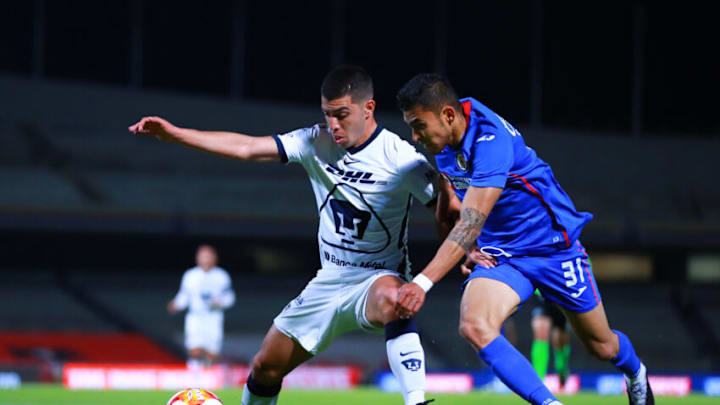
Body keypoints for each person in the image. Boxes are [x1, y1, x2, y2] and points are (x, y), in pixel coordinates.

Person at [130, 66, 440, 405]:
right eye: (327, 114)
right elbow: (247, 147)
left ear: (368, 109)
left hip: (377, 277)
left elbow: (448, 210)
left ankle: (416, 400)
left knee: (396, 299)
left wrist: (470, 252)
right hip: (329, 280)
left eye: (342, 114)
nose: (333, 124)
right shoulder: (314, 141)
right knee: (266, 366)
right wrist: (175, 134)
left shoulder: (401, 159)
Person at [394, 73, 654, 405]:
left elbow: (471, 220)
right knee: (474, 325)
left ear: (447, 115)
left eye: (418, 126)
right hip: (503, 255)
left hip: (554, 250)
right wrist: (469, 251)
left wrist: (422, 283)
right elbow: (451, 205)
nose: (415, 137)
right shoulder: (445, 141)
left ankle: (635, 372)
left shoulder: (490, 141)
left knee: (601, 345)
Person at [168, 244, 235, 367]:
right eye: (202, 256)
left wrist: (221, 302)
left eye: (208, 256)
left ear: (214, 258)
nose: (205, 259)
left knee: (212, 351)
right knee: (195, 349)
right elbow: (184, 295)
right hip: (195, 317)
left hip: (213, 316)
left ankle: (208, 374)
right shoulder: (190, 275)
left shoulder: (221, 276)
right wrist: (176, 304)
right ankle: (194, 375)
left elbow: (230, 297)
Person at [530, 291, 571, 387]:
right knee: (540, 332)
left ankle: (562, 367)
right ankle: (538, 381)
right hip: (542, 295)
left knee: (560, 341)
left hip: (561, 295)